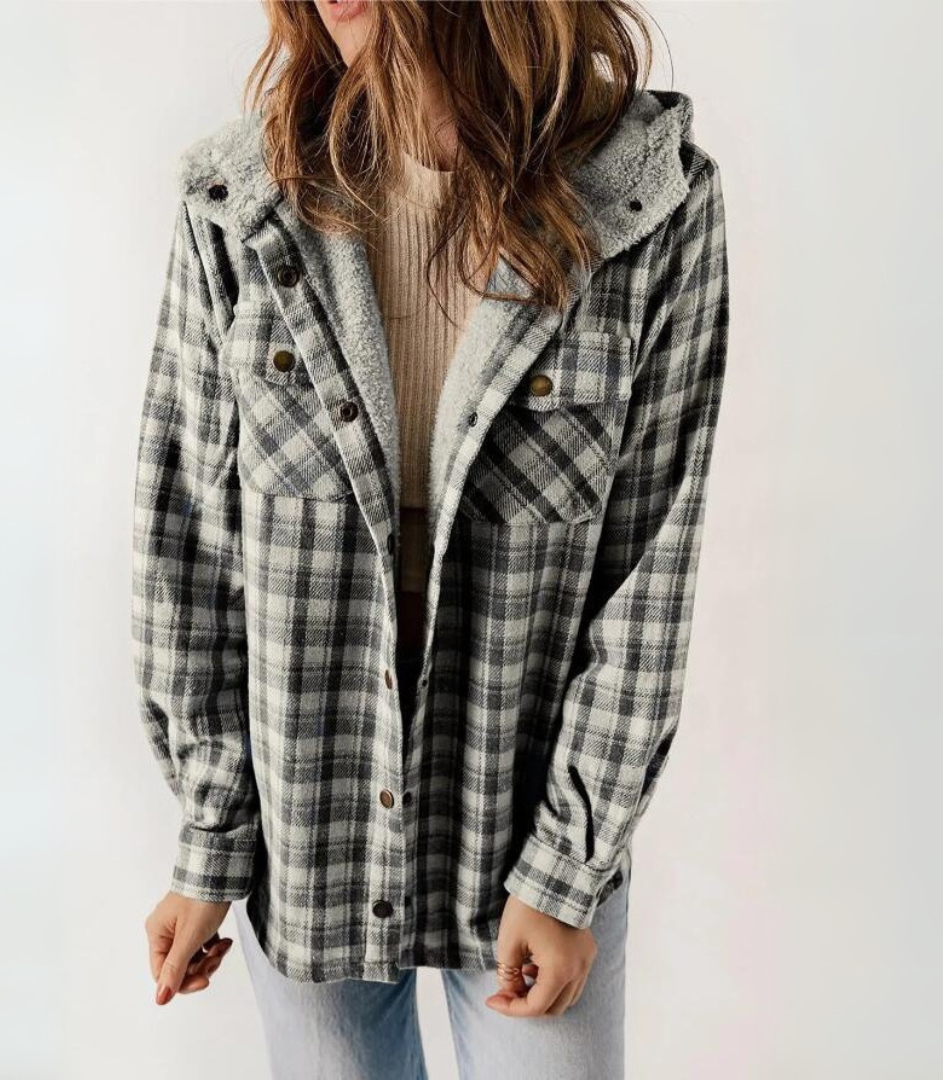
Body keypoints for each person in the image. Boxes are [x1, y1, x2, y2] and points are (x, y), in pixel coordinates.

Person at [132, 1, 729, 1076]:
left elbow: (649, 570)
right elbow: (188, 542)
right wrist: (211, 838)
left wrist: (568, 867)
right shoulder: (241, 206)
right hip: (306, 812)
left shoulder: (647, 202)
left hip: (525, 802)